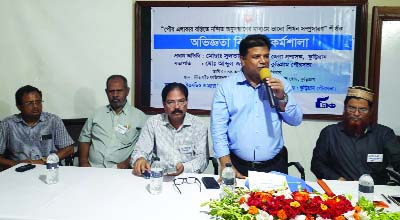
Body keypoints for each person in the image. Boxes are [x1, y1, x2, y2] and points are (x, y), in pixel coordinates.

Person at [211, 34, 303, 178]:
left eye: (266, 56)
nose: (263, 61)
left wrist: (282, 97)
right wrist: (225, 163)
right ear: (243, 60)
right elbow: (218, 129)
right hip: (238, 165)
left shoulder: (280, 83)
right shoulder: (227, 87)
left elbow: (295, 120)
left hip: (274, 165)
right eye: (256, 57)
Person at [311, 86, 400, 185]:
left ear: (370, 111)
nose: (356, 113)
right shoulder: (330, 133)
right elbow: (317, 164)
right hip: (340, 190)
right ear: (345, 108)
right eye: (351, 108)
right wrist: (338, 179)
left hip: (376, 190)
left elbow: (397, 160)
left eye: (363, 109)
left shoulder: (384, 134)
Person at [131, 82, 208, 176]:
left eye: (181, 101)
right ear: (164, 105)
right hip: (157, 177)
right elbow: (140, 151)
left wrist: (184, 168)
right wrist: (140, 159)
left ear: (187, 102)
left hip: (187, 178)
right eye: (171, 102)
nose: (176, 106)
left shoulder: (199, 125)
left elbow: (202, 160)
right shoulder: (153, 123)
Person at [78, 75, 146, 168]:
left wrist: (125, 164)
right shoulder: (96, 114)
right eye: (111, 91)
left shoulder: (140, 117)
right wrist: (84, 162)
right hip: (92, 168)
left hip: (121, 170)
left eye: (119, 91)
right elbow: (84, 139)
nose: (115, 95)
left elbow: (144, 148)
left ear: (127, 91)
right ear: (106, 92)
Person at [0, 85, 74, 170]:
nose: (35, 106)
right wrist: (17, 164)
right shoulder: (7, 124)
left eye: (38, 102)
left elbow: (69, 149)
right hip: (18, 171)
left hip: (49, 169)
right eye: (30, 103)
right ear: (19, 106)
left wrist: (43, 161)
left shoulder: (53, 120)